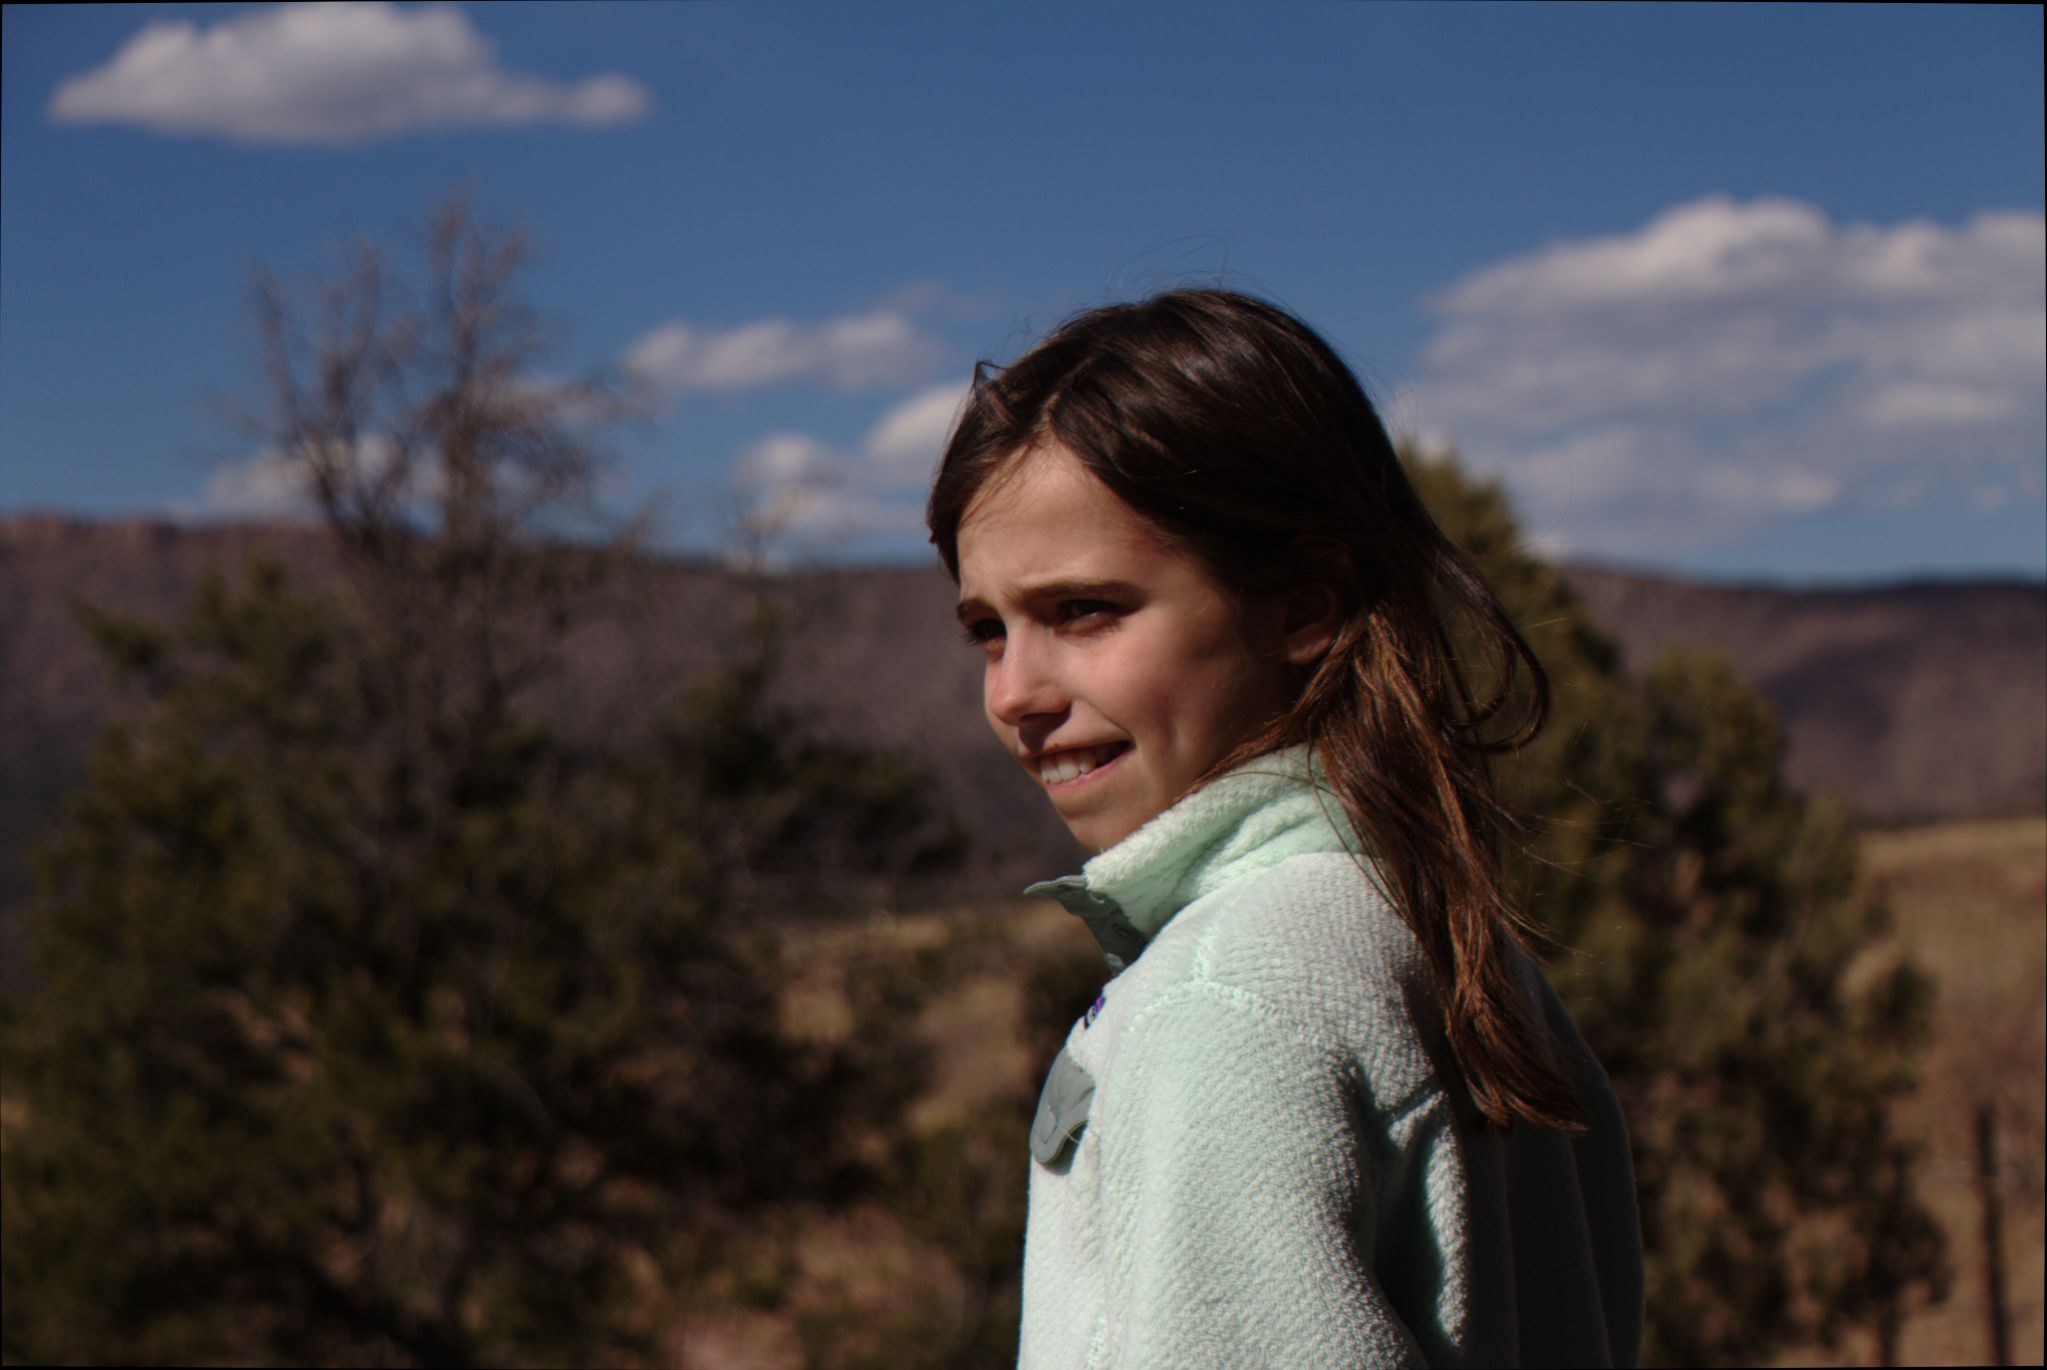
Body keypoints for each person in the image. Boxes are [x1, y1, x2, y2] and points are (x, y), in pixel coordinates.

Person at [925, 289, 1644, 1368]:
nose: (1016, 691)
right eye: (989, 628)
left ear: (1306, 605)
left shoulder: (1228, 995)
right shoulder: (1436, 929)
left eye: (1084, 609)